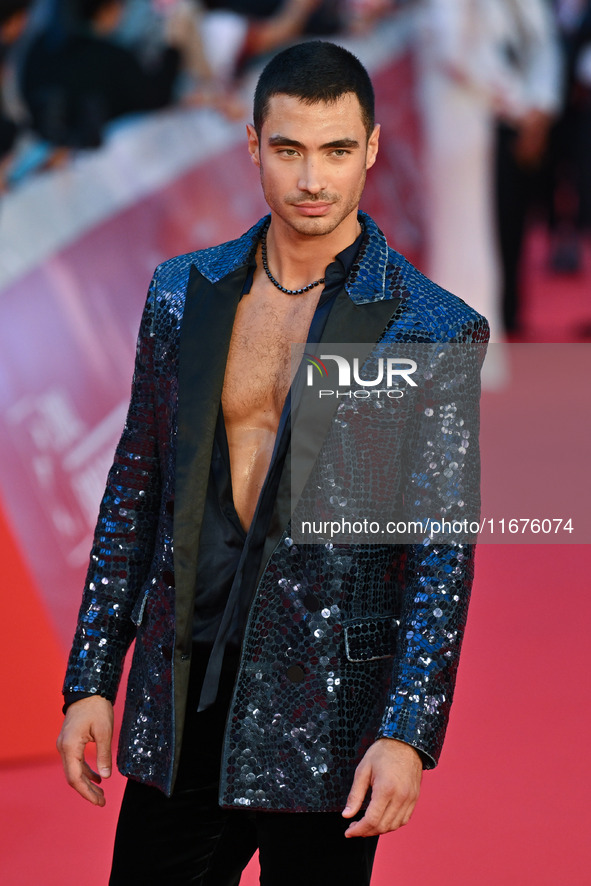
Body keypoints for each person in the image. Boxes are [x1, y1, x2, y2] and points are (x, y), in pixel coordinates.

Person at [57, 40, 489, 885]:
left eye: (335, 151)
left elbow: (439, 555)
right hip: (182, 706)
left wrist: (406, 732)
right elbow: (133, 495)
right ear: (254, 145)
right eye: (288, 150)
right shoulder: (183, 294)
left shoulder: (428, 328)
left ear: (369, 148)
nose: (312, 180)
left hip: (324, 722)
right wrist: (91, 677)